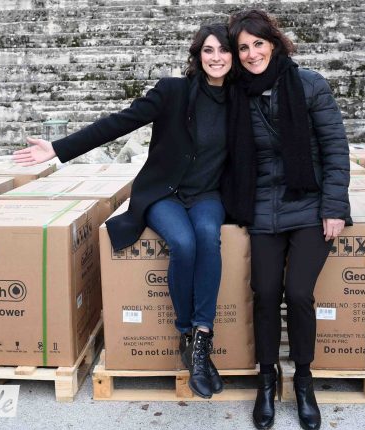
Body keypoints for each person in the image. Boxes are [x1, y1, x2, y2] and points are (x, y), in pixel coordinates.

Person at [13, 23, 234, 399]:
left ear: (233, 56)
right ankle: (186, 331)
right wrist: (59, 148)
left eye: (223, 50)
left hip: (207, 195)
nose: (216, 58)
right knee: (183, 243)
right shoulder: (173, 91)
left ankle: (202, 338)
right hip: (164, 193)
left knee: (207, 237)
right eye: (208, 50)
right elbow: (120, 122)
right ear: (198, 56)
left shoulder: (240, 100)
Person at [222, 9, 351, 430]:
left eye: (258, 43)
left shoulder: (309, 84)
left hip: (310, 205)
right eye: (243, 47)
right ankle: (266, 379)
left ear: (274, 43)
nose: (251, 53)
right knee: (263, 293)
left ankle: (303, 381)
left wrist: (334, 207)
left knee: (297, 293)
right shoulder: (234, 94)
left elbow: (335, 148)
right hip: (262, 208)